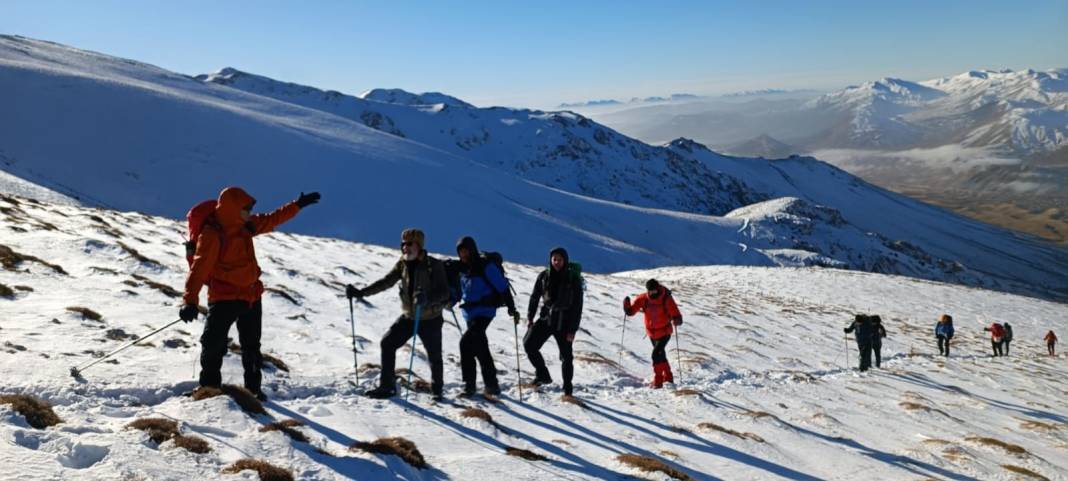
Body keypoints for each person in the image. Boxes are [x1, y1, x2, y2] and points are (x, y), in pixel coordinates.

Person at [181, 187, 320, 401]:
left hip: (251, 295)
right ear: (233, 208)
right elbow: (199, 269)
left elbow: (273, 219)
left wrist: (297, 205)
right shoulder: (212, 233)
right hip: (223, 297)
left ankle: (253, 391)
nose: (250, 211)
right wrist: (190, 301)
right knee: (212, 344)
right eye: (247, 208)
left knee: (251, 347)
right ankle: (208, 389)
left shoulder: (246, 225)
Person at [347, 229, 450, 400]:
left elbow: (445, 293)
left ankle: (437, 390)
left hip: (430, 319)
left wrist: (427, 299)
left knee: (434, 356)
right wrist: (360, 293)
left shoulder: (434, 265)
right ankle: (387, 387)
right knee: (387, 343)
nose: (405, 248)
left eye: (409, 244)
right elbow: (386, 282)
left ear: (419, 245)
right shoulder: (402, 264)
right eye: (403, 244)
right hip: (409, 317)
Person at [454, 236, 519, 397]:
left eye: (465, 250)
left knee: (465, 344)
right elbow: (460, 291)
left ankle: (469, 386)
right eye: (460, 251)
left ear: (472, 249)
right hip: (468, 313)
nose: (463, 254)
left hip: (485, 311)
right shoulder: (463, 269)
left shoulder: (485, 266)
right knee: (480, 348)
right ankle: (492, 385)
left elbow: (503, 287)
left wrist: (512, 308)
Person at [524, 247, 584, 397]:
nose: (557, 262)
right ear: (550, 260)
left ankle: (567, 389)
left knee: (566, 357)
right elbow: (534, 296)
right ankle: (543, 375)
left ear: (565, 261)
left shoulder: (573, 279)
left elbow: (577, 306)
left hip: (564, 322)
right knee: (528, 344)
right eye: (554, 259)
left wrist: (572, 330)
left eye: (560, 259)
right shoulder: (544, 276)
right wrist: (530, 316)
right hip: (547, 318)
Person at [623, 279, 683, 388]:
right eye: (650, 291)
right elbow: (632, 311)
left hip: (665, 331)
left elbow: (675, 312)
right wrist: (627, 308)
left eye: (654, 291)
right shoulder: (643, 299)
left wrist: (677, 319)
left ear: (658, 289)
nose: (652, 293)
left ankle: (658, 381)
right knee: (661, 355)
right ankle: (669, 377)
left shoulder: (666, 298)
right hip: (652, 333)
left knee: (655, 354)